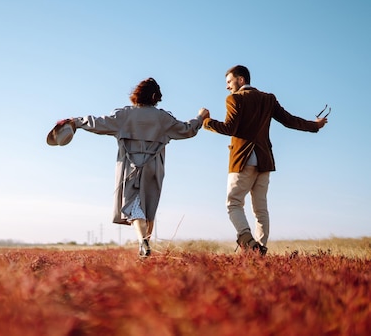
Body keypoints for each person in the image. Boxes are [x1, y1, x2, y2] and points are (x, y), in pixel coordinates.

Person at [53, 78, 209, 258]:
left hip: (130, 167)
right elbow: (187, 129)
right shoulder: (163, 118)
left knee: (135, 207)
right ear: (154, 96)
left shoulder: (124, 115)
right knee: (149, 208)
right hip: (154, 167)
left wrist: (76, 121)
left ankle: (143, 242)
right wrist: (200, 116)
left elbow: (98, 123)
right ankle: (145, 247)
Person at [203, 65, 328, 255]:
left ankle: (249, 243)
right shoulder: (268, 99)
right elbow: (289, 120)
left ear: (241, 80)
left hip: (242, 160)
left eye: (229, 82)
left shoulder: (234, 99)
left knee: (233, 204)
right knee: (260, 209)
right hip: (264, 161)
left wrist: (206, 121)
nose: (227, 87)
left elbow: (229, 128)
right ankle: (261, 248)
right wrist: (315, 125)